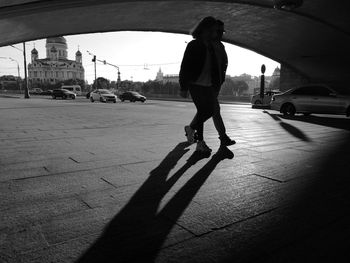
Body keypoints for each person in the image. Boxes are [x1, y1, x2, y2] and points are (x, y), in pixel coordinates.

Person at [179, 17, 235, 154]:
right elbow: (185, 66)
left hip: (209, 85)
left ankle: (191, 129)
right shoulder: (194, 44)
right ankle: (200, 143)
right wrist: (183, 87)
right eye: (215, 30)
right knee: (204, 110)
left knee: (207, 111)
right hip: (195, 84)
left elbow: (217, 67)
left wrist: (218, 82)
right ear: (206, 29)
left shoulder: (212, 46)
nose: (217, 33)